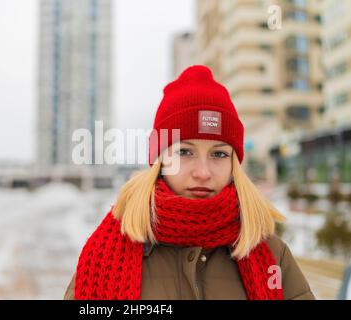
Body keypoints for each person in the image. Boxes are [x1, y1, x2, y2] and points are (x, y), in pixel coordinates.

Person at [63, 65, 315, 300]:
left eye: (219, 154)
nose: (203, 172)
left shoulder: (272, 255)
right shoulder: (104, 256)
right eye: (184, 152)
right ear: (160, 160)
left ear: (233, 165)